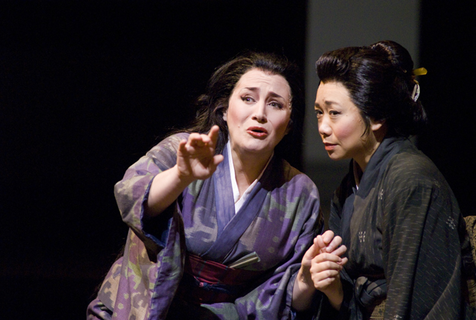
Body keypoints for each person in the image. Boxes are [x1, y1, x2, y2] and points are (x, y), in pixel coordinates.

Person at [86, 51, 324, 320]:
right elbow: (132, 197)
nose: (259, 114)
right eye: (248, 98)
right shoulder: (183, 150)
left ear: (289, 124)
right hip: (139, 309)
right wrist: (181, 176)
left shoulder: (300, 193)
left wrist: (307, 279)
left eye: (275, 105)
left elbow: (285, 293)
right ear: (223, 110)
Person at [294, 40, 475, 319]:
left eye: (334, 113)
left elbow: (420, 302)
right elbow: (346, 290)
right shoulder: (348, 187)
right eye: (319, 113)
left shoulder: (411, 180)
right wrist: (331, 285)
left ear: (376, 116)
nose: (322, 127)